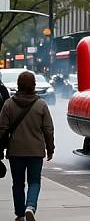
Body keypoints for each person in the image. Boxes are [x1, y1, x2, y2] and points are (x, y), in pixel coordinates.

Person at [0, 71, 55, 221]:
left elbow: (2, 129)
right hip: (35, 151)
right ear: (33, 85)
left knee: (17, 183)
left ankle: (20, 214)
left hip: (15, 151)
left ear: (18, 85)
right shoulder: (41, 105)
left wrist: (1, 148)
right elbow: (48, 129)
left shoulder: (8, 104)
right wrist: (50, 148)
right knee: (34, 181)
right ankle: (30, 206)